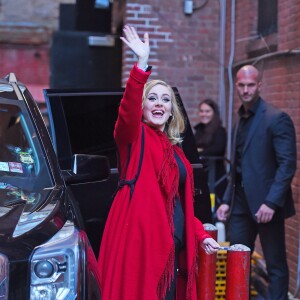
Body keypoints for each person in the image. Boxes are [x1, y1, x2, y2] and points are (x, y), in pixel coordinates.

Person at [97, 25, 220, 300]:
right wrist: (141, 65)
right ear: (142, 106)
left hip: (169, 249)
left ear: (170, 112)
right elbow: (125, 116)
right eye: (152, 98)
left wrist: (200, 234)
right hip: (140, 245)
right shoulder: (135, 136)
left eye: (165, 100)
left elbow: (177, 202)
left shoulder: (176, 151)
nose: (159, 104)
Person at [216, 65, 297, 300]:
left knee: (275, 266)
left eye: (250, 85)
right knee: (236, 259)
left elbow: (287, 165)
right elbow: (239, 167)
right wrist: (225, 201)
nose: (245, 89)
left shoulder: (276, 118)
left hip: (266, 206)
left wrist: (271, 203)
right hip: (240, 204)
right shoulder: (239, 120)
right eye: (241, 85)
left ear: (259, 86)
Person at [194, 99, 227, 206]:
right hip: (202, 175)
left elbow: (217, 149)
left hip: (215, 177)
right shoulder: (199, 130)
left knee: (214, 208)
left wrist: (199, 152)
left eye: (207, 111)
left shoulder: (219, 130)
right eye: (202, 111)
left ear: (214, 113)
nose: (204, 114)